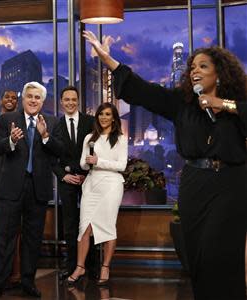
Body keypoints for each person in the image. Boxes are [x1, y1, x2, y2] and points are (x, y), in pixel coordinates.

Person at [84, 30, 247, 299]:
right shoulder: (181, 104)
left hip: (230, 184)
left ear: (219, 74)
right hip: (195, 184)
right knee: (198, 257)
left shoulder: (235, 107)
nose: (195, 71)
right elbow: (143, 91)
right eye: (192, 67)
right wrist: (108, 60)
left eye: (203, 66)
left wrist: (223, 104)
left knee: (219, 254)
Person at [0, 82, 63, 298]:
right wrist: (11, 140)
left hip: (38, 188)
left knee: (32, 239)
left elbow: (60, 150)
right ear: (23, 98)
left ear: (42, 101)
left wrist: (45, 136)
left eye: (37, 97)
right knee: (4, 237)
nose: (33, 100)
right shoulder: (7, 119)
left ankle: (28, 282)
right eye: (29, 96)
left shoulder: (53, 121)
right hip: (11, 187)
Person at [66, 103, 128, 286]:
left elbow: (121, 166)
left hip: (111, 185)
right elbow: (84, 165)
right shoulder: (88, 138)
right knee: (84, 227)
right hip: (92, 184)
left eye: (108, 114)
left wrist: (99, 161)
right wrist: (88, 161)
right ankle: (80, 267)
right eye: (101, 114)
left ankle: (105, 266)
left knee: (107, 226)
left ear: (114, 118)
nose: (104, 117)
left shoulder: (120, 139)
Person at [52, 86, 97, 279]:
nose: (70, 102)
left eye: (73, 99)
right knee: (69, 224)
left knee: (90, 223)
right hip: (67, 180)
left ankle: (91, 265)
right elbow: (50, 156)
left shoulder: (89, 122)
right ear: (61, 102)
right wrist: (63, 175)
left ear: (78, 101)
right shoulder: (56, 125)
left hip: (89, 179)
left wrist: (88, 175)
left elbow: (97, 151)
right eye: (66, 99)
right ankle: (71, 265)